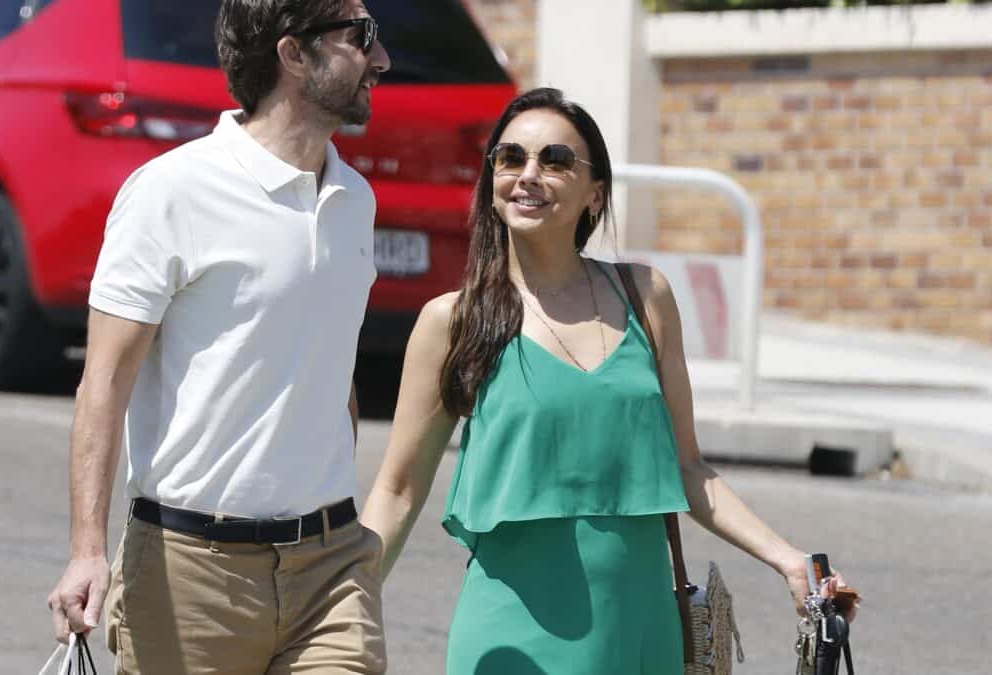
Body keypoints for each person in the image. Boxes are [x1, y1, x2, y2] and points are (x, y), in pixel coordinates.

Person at [359, 87, 857, 673]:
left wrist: (788, 560)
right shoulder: (455, 320)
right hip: (511, 642)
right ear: (491, 185)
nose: (529, 175)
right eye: (510, 158)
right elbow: (397, 491)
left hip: (641, 633)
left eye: (556, 160)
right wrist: (341, 608)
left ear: (594, 194)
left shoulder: (646, 299)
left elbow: (688, 469)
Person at [46, 1, 391, 673]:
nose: (381, 59)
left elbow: (328, 364)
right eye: (361, 37)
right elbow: (105, 383)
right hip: (189, 574)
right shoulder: (172, 191)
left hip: (330, 565)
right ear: (295, 55)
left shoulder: (357, 198)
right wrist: (88, 547)